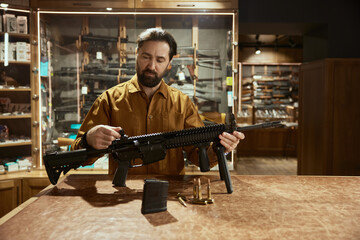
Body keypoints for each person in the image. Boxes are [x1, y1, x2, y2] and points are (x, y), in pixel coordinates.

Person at [71, 28, 244, 176]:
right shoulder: (108, 100)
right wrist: (88, 140)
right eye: (146, 57)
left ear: (169, 63)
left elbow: (197, 156)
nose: (152, 66)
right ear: (137, 55)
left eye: (160, 60)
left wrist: (220, 148)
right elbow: (76, 155)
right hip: (122, 197)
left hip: (170, 195)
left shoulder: (182, 103)